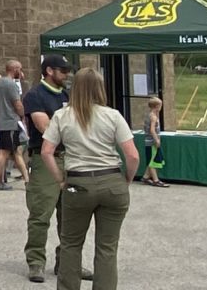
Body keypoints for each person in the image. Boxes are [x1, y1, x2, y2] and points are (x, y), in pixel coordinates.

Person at [39, 68, 139, 290]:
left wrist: (60, 180)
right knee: (107, 247)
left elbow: (46, 151)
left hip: (78, 182)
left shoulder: (62, 115)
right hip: (112, 180)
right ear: (100, 88)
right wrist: (126, 180)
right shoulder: (113, 115)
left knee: (71, 243)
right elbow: (132, 155)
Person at [22, 55, 89, 283]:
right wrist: (73, 131)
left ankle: (68, 263)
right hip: (45, 159)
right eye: (63, 70)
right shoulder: (35, 95)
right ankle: (36, 262)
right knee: (41, 213)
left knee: (71, 215)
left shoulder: (67, 95)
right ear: (49, 71)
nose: (67, 74)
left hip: (71, 158)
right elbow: (45, 127)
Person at [0, 68, 27, 191]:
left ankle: (25, 179)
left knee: (10, 152)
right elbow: (18, 104)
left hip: (2, 122)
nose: (21, 72)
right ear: (15, 69)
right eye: (20, 69)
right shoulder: (11, 85)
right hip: (10, 122)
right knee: (5, 152)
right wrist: (22, 115)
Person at [141, 97, 169, 187]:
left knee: (151, 159)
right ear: (157, 106)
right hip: (152, 142)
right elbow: (152, 130)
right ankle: (156, 180)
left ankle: (145, 177)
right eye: (160, 106)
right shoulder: (153, 117)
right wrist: (156, 140)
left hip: (148, 141)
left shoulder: (149, 115)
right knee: (152, 161)